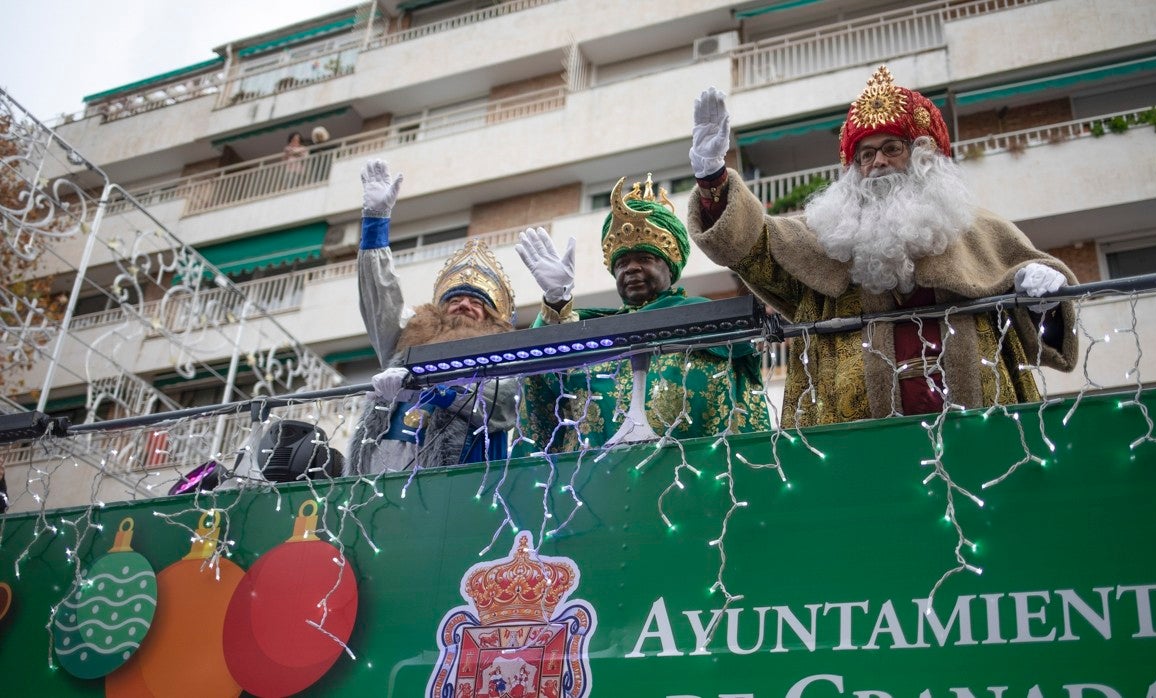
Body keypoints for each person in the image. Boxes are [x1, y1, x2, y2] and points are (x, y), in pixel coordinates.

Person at [685, 66, 1079, 427]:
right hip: (858, 449)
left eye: (892, 148)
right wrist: (712, 178)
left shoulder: (981, 231)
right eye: (866, 154)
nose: (877, 163)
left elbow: (1046, 336)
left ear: (923, 158)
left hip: (982, 432)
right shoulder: (827, 239)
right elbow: (757, 245)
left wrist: (1040, 300)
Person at [516, 175, 770, 453]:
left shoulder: (705, 319)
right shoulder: (593, 332)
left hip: (690, 473)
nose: (631, 268)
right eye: (622, 263)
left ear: (669, 267)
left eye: (645, 259)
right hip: (596, 480)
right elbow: (547, 376)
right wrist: (557, 301)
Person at [348, 159, 518, 474]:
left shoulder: (502, 359)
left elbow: (501, 405)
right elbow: (379, 298)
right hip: (378, 470)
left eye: (476, 302)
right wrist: (375, 223)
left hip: (451, 483)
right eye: (456, 299)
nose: (465, 304)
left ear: (492, 318)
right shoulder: (410, 339)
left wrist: (434, 392)